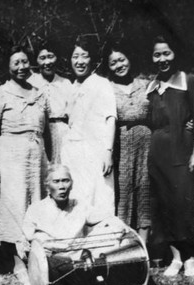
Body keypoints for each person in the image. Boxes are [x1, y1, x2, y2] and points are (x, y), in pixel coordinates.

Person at [0, 46, 50, 285]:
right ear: (8, 67)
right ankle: (17, 264)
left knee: (37, 202)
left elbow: (46, 131)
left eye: (25, 62)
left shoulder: (40, 93)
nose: (21, 67)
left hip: (37, 153)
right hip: (11, 153)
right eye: (16, 63)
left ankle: (37, 257)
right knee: (15, 204)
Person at [146, 35, 194, 277]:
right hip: (156, 154)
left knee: (182, 204)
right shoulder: (151, 86)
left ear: (175, 54)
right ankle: (176, 258)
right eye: (157, 54)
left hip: (182, 150)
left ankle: (191, 256)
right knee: (163, 206)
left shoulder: (188, 81)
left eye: (166, 53)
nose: (162, 59)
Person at [61, 36, 117, 219]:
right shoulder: (69, 86)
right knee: (77, 197)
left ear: (92, 60)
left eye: (84, 56)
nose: (79, 61)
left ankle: (101, 244)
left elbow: (110, 119)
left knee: (100, 197)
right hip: (73, 152)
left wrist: (108, 151)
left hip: (97, 152)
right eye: (75, 56)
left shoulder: (102, 84)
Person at [23, 164, 131, 258]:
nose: (62, 187)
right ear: (47, 186)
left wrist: (121, 227)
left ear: (72, 184)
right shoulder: (36, 209)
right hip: (50, 259)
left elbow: (107, 217)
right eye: (56, 181)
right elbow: (25, 239)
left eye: (65, 181)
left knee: (112, 230)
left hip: (79, 254)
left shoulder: (79, 205)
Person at [102, 42, 151, 242]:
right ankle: (121, 245)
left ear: (130, 59)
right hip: (119, 145)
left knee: (145, 190)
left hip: (147, 144)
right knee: (121, 192)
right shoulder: (106, 88)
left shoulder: (147, 84)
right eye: (113, 63)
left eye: (122, 60)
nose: (119, 65)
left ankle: (144, 246)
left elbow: (166, 110)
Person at [28, 43, 72, 163]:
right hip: (39, 133)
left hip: (62, 132)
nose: (47, 62)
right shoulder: (30, 83)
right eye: (42, 58)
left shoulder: (66, 83)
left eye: (50, 57)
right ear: (36, 61)